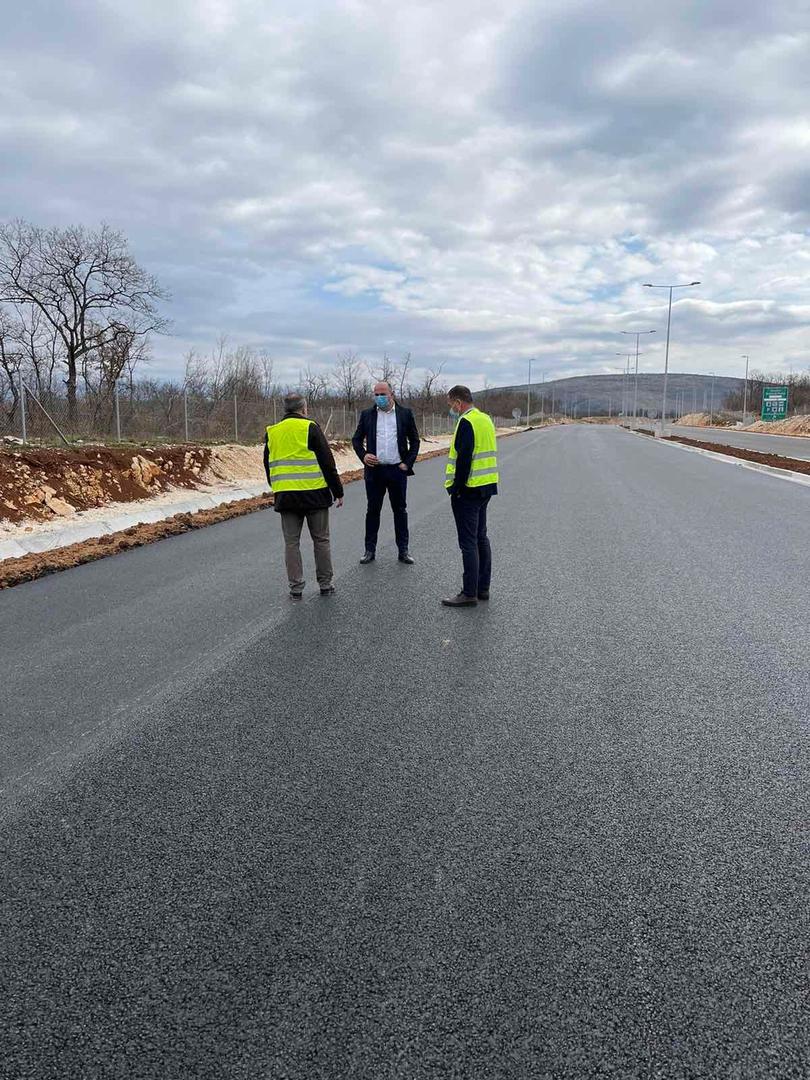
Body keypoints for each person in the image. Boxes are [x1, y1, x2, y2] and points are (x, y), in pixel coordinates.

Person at [264, 392, 344, 599]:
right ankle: (325, 584)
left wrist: (278, 486)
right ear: (303, 408)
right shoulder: (311, 427)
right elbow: (327, 462)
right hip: (314, 494)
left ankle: (296, 588)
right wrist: (338, 491)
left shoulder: (273, 432)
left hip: (286, 496)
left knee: (291, 543)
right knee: (321, 540)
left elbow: (268, 464)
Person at [442, 385, 499, 607]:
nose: (451, 409)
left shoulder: (466, 422)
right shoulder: (485, 419)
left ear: (458, 402)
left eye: (451, 404)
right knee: (481, 537)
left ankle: (469, 593)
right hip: (486, 486)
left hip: (469, 489)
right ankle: (483, 588)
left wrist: (456, 489)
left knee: (468, 542)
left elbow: (464, 459)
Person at [351, 380, 420, 564]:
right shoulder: (367, 415)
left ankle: (403, 550)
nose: (379, 397)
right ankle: (369, 550)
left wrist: (407, 463)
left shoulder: (405, 414)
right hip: (375, 471)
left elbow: (415, 441)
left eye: (383, 394)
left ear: (392, 394)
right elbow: (356, 440)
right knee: (373, 510)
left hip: (397, 470)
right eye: (376, 394)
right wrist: (364, 455)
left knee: (400, 510)